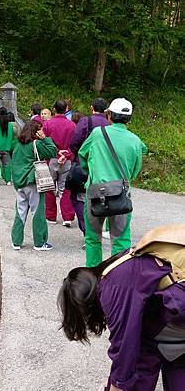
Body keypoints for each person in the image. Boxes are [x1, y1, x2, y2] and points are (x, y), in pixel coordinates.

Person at [58, 224, 185, 391]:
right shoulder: (117, 265)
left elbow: (126, 347)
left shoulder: (112, 290)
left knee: (147, 349)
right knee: (177, 354)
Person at [78, 98, 148, 267]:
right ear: (129, 119)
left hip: (95, 192)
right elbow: (135, 170)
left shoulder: (97, 134)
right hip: (121, 194)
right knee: (121, 240)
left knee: (93, 238)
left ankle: (94, 277)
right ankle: (117, 277)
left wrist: (90, 174)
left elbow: (82, 154)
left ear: (109, 115)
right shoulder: (136, 141)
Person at [11, 120, 57, 251]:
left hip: (19, 183)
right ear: (35, 131)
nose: (42, 132)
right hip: (33, 181)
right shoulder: (36, 143)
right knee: (37, 212)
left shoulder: (18, 145)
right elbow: (52, 152)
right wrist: (46, 139)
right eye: (40, 129)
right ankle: (39, 242)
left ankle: (16, 241)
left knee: (20, 212)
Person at [69, 99, 108, 236]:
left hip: (85, 164)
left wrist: (77, 153)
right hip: (105, 166)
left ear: (92, 108)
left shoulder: (86, 121)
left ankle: (88, 231)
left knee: (79, 197)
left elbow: (74, 141)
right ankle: (102, 227)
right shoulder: (110, 123)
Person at [43, 99, 76, 227]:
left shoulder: (48, 124)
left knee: (49, 188)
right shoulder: (72, 125)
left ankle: (51, 216)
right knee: (65, 188)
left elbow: (44, 142)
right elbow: (74, 143)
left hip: (51, 159)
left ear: (54, 109)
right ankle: (67, 217)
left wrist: (57, 153)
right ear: (66, 109)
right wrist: (65, 153)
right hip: (67, 160)